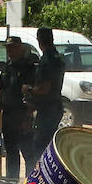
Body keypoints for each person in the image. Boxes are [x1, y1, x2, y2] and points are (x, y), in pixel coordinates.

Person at [0, 36, 37, 179]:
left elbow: (31, 93)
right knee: (11, 153)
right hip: (8, 115)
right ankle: (11, 183)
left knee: (28, 153)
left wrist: (27, 116)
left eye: (13, 47)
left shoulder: (28, 67)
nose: (10, 50)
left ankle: (30, 183)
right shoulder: (8, 66)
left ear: (20, 47)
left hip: (21, 114)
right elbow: (2, 89)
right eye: (8, 48)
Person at [26, 26, 66, 161]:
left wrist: (28, 89)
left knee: (40, 149)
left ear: (39, 40)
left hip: (47, 109)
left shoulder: (47, 60)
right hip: (54, 107)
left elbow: (44, 88)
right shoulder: (57, 57)